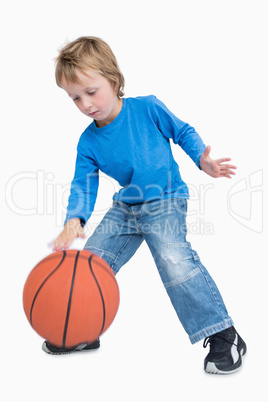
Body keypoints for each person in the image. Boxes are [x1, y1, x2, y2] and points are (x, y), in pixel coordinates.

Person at [44, 36, 246, 374]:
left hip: (166, 199)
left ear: (113, 78)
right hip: (126, 208)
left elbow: (182, 132)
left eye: (91, 92)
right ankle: (83, 330)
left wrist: (201, 160)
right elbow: (83, 183)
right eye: (75, 98)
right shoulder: (88, 141)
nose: (86, 104)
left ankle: (224, 334)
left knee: (172, 258)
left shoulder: (147, 107)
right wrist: (74, 219)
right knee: (89, 263)